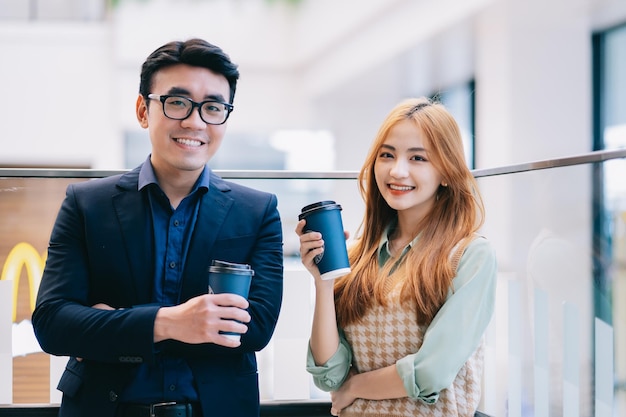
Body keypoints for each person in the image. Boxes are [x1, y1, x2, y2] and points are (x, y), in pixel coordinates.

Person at [32, 38, 284, 417]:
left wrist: (109, 322)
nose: (196, 122)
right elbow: (54, 324)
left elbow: (256, 329)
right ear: (142, 110)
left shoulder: (258, 210)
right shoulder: (87, 204)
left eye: (213, 107)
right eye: (178, 102)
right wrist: (171, 321)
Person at [296, 97, 497, 417]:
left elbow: (431, 371)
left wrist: (355, 387)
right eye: (387, 155)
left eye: (418, 158)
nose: (397, 170)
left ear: (447, 171)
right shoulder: (357, 256)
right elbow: (330, 374)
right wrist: (323, 284)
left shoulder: (470, 256)